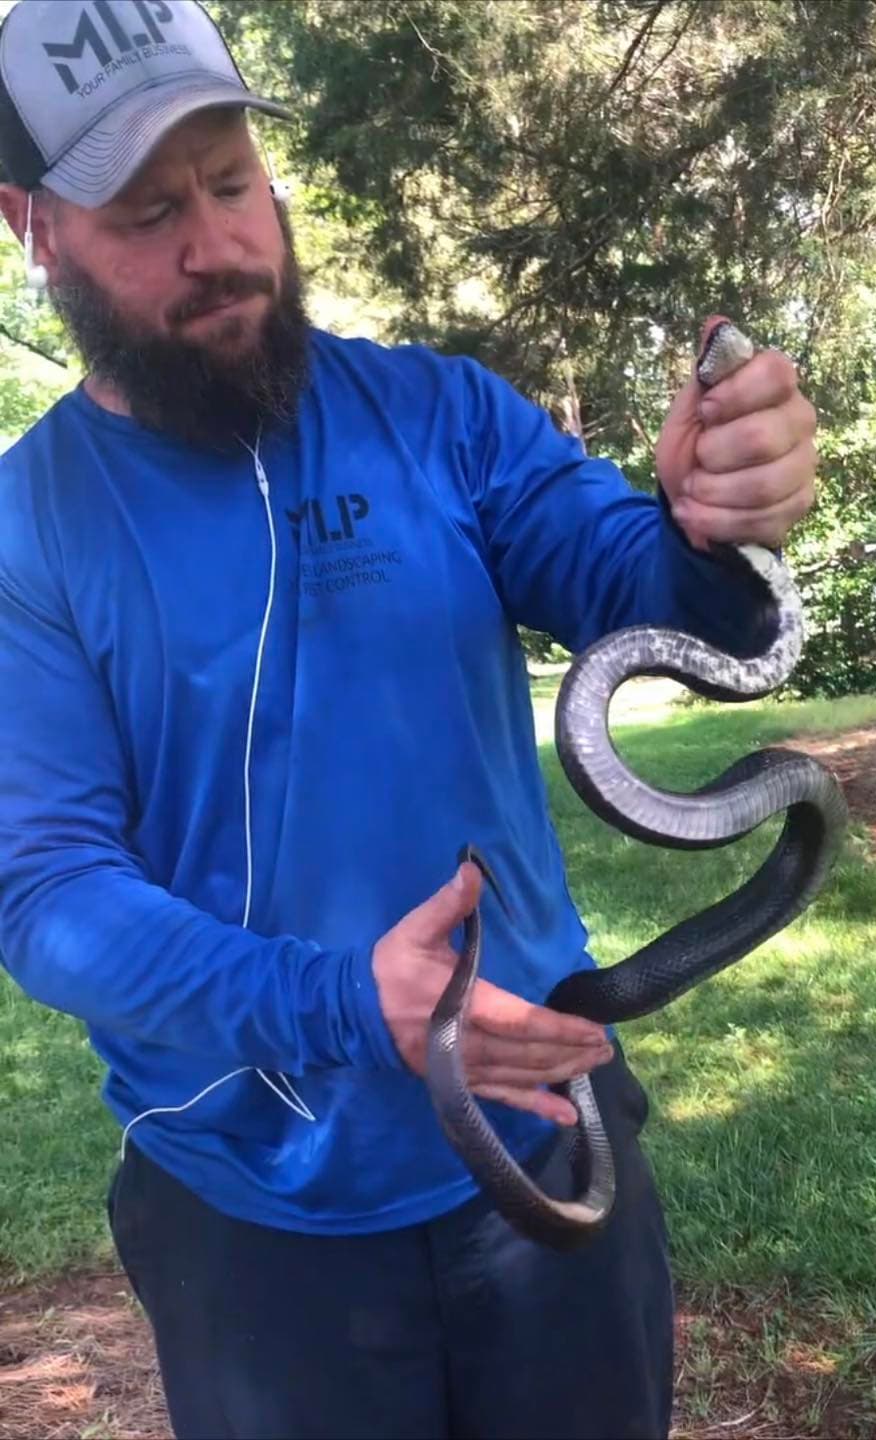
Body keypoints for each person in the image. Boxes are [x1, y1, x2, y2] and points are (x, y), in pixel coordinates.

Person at [0, 3, 817, 1437]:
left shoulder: (436, 414)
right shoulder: (28, 530)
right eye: (147, 211)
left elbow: (639, 585)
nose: (216, 244)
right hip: (249, 1203)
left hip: (545, 1130)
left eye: (232, 182)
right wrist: (333, 1004)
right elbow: (45, 891)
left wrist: (715, 520)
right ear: (35, 230)